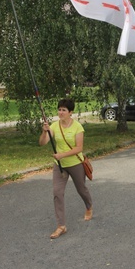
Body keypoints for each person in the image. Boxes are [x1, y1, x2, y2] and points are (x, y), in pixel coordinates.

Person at [39, 98, 93, 239]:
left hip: (75, 163)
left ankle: (89, 206)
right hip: (60, 166)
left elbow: (79, 148)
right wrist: (45, 132)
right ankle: (61, 226)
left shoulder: (77, 127)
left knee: (81, 189)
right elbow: (42, 143)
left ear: (70, 112)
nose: (60, 112)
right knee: (57, 193)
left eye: (64, 110)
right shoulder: (55, 126)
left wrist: (61, 154)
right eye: (59, 109)